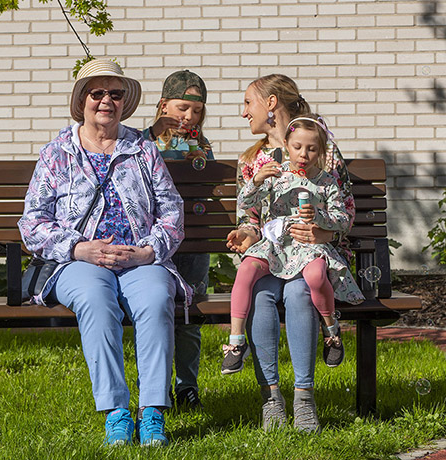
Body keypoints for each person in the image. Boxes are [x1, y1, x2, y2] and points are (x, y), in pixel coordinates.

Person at [18, 58, 193, 447]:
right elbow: (32, 222)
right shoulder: (57, 153)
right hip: (79, 261)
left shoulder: (143, 150)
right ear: (82, 99)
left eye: (115, 94)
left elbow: (171, 210)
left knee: (155, 296)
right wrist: (79, 248)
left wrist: (148, 253)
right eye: (97, 93)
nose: (106, 101)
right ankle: (116, 412)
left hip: (138, 257)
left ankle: (151, 413)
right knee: (96, 299)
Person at [226, 74, 356, 433]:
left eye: (248, 102)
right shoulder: (252, 160)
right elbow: (249, 217)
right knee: (261, 296)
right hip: (271, 254)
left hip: (312, 252)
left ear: (270, 104)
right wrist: (245, 233)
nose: (244, 112)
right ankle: (271, 399)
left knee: (300, 293)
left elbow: (345, 207)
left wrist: (323, 230)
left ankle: (304, 399)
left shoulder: (320, 148)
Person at [222, 114, 364, 375]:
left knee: (316, 275)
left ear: (321, 151)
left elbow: (343, 220)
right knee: (246, 270)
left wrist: (319, 217)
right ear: (286, 144)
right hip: (276, 246)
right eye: (297, 147)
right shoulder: (276, 175)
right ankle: (236, 342)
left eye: (312, 149)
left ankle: (331, 331)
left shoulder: (326, 182)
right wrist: (257, 180)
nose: (303, 154)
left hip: (308, 245)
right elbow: (245, 203)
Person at [142, 69, 213, 410]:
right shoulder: (142, 142)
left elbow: (208, 186)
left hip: (191, 244)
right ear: (163, 105)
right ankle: (156, 389)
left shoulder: (202, 144)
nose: (189, 116)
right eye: (183, 107)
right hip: (153, 243)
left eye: (197, 111)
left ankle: (187, 386)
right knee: (156, 315)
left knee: (189, 317)